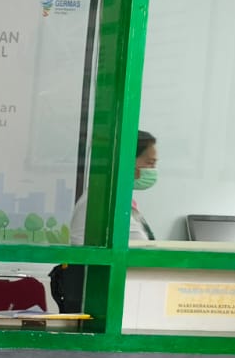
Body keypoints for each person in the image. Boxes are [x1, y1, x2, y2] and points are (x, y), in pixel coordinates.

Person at [53, 130, 158, 312]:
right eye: (149, 163)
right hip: (100, 301)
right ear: (127, 161)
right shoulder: (100, 201)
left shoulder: (119, 200)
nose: (153, 170)